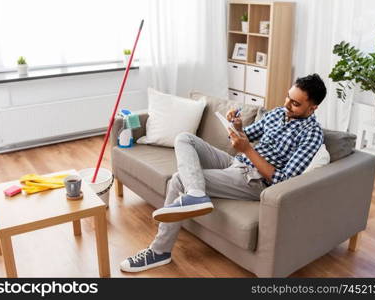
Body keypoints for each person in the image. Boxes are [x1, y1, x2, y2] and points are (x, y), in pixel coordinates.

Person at [120, 73, 327, 272]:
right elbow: (245, 135)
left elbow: (282, 180)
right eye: (288, 97)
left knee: (178, 179)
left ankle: (159, 251)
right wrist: (236, 126)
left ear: (313, 107)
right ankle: (196, 194)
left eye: (295, 103)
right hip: (236, 162)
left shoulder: (311, 135)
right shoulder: (277, 114)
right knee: (184, 138)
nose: (286, 105)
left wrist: (247, 149)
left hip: (254, 180)